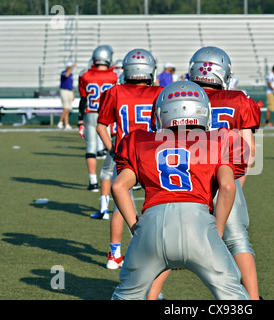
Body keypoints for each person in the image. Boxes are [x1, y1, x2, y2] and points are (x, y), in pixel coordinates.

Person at [111, 80, 251, 300]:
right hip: (199, 225)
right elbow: (227, 185)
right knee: (233, 295)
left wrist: (135, 228)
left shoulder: (139, 141)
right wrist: (219, 229)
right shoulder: (220, 139)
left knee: (126, 296)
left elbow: (119, 186)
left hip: (151, 226)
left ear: (162, 113)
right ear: (204, 111)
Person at [150, 46, 261, 300]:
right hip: (224, 177)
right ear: (224, 73)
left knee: (167, 245)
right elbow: (249, 153)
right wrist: (231, 185)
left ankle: (151, 296)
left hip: (183, 177)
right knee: (238, 241)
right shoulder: (239, 100)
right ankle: (253, 299)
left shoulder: (176, 95)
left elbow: (159, 141)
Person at [95, 49, 164, 271]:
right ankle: (158, 250)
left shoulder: (115, 92)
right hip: (154, 155)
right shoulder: (161, 92)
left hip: (126, 156)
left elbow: (101, 126)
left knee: (119, 206)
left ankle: (114, 255)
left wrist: (112, 149)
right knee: (160, 203)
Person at [77, 45, 118, 192]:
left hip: (91, 113)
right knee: (112, 148)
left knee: (91, 147)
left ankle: (93, 182)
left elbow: (83, 99)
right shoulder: (115, 76)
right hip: (108, 115)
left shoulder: (85, 75)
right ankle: (111, 178)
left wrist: (80, 119)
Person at [57, 61, 76, 130]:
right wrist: (71, 68)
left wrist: (73, 94)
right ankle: (60, 122)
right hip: (64, 91)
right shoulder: (64, 72)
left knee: (67, 109)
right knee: (66, 108)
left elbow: (71, 85)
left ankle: (67, 124)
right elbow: (66, 75)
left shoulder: (71, 74)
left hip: (69, 91)